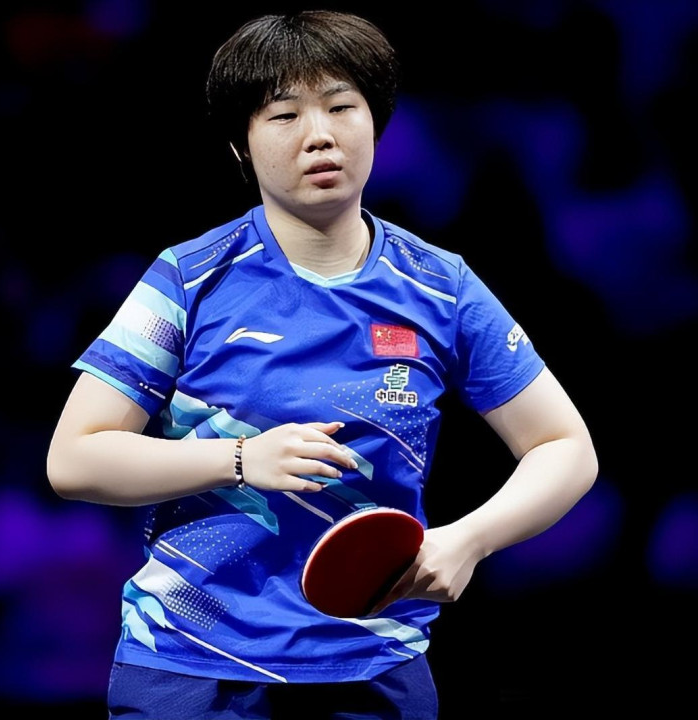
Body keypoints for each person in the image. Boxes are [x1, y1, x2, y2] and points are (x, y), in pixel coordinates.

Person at [46, 9, 598, 720]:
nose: (319, 135)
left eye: (342, 107)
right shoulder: (187, 279)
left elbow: (565, 447)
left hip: (377, 664)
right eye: (284, 115)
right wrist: (240, 459)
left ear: (377, 124)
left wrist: (471, 539)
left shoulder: (442, 287)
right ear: (241, 145)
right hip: (191, 666)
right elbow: (75, 458)